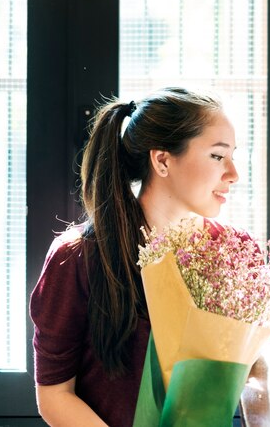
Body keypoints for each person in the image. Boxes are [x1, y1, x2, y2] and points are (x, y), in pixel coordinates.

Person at [30, 87, 240, 426]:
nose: (233, 174)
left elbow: (250, 369)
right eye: (218, 156)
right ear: (162, 160)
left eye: (232, 156)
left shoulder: (234, 253)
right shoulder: (78, 258)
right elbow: (54, 394)